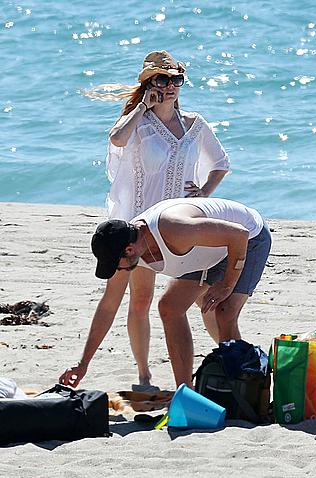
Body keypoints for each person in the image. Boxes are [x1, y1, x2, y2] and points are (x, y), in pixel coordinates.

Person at [85, 50, 229, 387]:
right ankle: (144, 375)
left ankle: (229, 357)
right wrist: (141, 108)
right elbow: (116, 138)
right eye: (161, 80)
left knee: (198, 294)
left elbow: (221, 162)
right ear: (150, 84)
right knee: (139, 299)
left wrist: (204, 193)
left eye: (175, 80)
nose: (169, 87)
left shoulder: (195, 124)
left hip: (180, 226)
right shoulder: (139, 123)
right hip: (138, 225)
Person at [59, 197, 271, 389]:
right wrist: (83, 364)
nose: (117, 269)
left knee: (224, 312)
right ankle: (186, 393)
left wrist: (226, 285)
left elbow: (239, 235)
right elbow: (108, 306)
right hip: (208, 253)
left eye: (116, 264)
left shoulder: (173, 228)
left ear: (129, 250)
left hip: (249, 240)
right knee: (170, 307)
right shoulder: (128, 251)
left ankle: (241, 386)